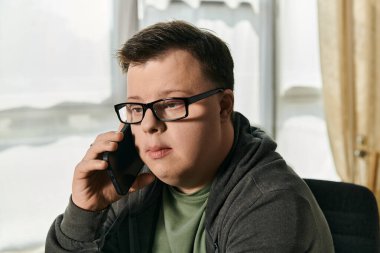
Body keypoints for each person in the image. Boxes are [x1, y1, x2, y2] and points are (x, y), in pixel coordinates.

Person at [46, 20, 334, 252]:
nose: (148, 125)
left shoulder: (271, 205)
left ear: (223, 106)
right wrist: (84, 213)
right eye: (136, 108)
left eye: (170, 104)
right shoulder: (130, 183)